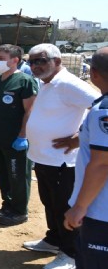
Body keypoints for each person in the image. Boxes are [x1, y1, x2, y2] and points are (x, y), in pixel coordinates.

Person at [22, 43, 99, 269]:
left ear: (57, 62)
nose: (35, 66)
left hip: (63, 161)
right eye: (32, 61)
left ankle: (70, 254)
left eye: (41, 61)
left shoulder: (68, 83)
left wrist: (80, 136)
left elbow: (100, 107)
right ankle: (54, 240)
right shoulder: (47, 83)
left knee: (63, 207)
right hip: (44, 157)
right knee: (49, 203)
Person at [64, 47, 108, 268]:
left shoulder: (104, 110)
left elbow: (102, 164)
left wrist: (80, 207)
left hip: (101, 212)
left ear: (94, 73)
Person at [0, 44, 38, 226]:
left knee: (18, 175)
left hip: (14, 139)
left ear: (15, 60)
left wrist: (23, 135)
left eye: (1, 58)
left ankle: (20, 210)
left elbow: (29, 110)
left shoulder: (24, 81)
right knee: (1, 173)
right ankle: (8, 205)